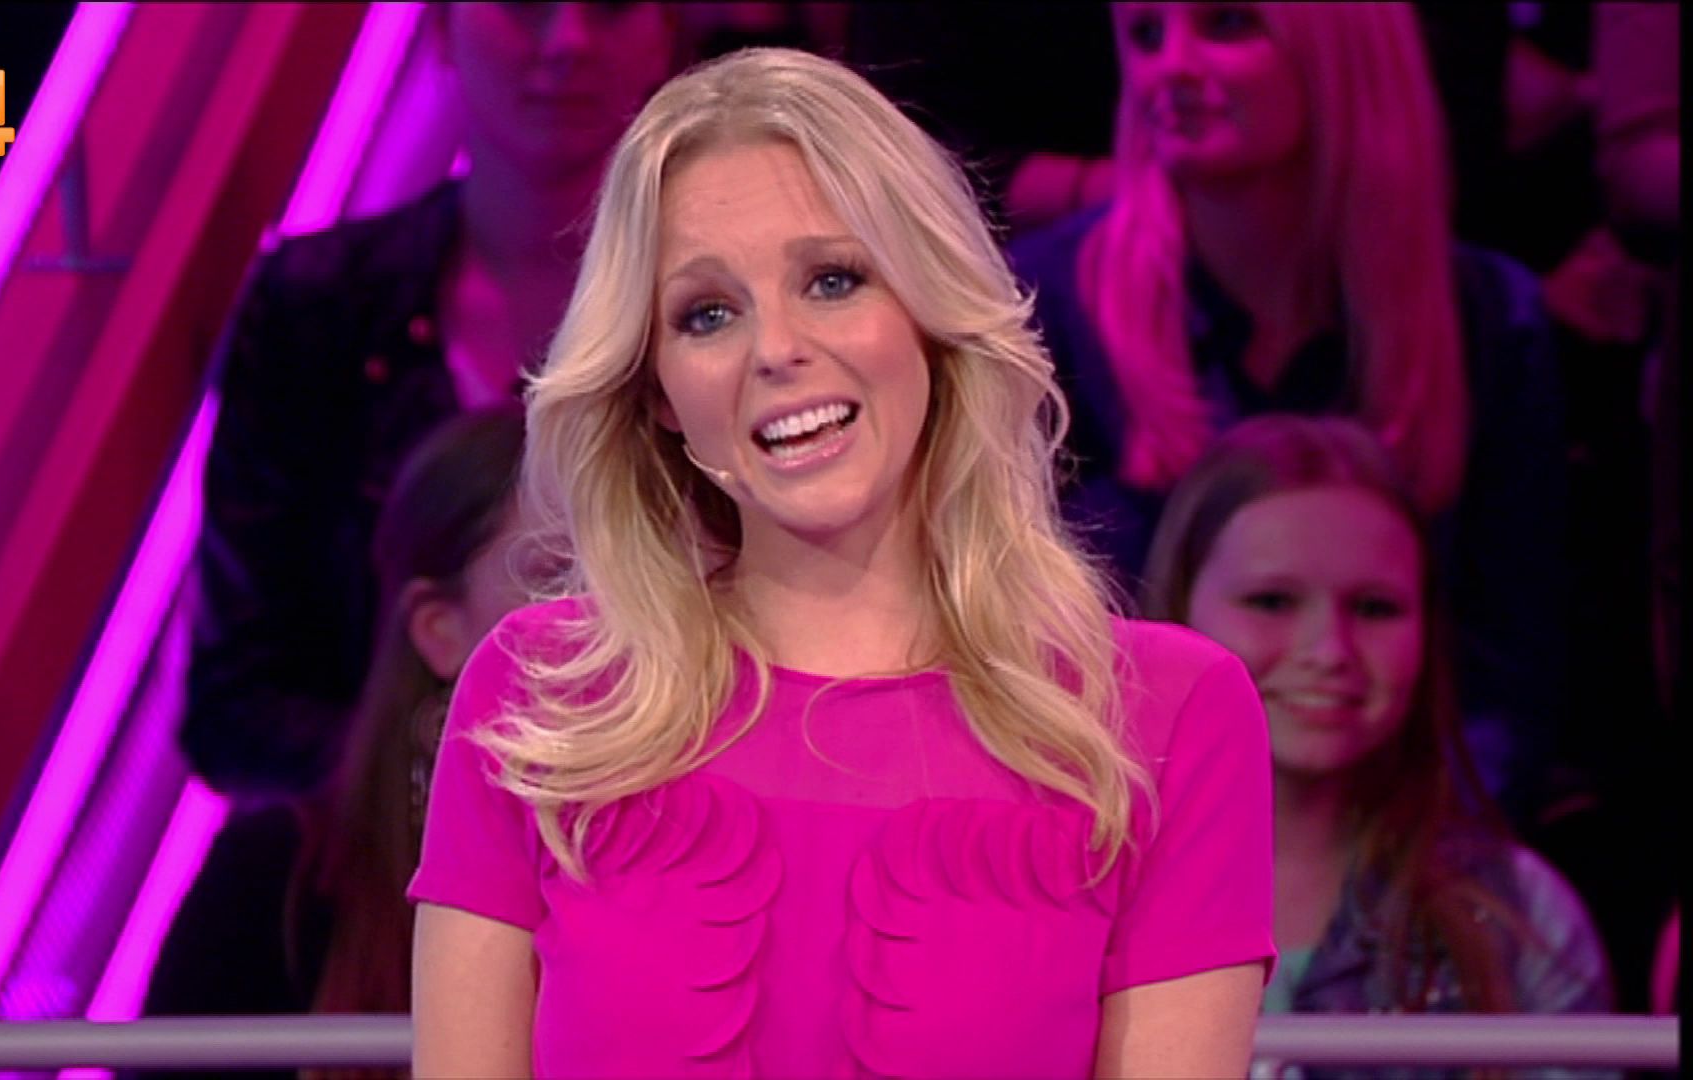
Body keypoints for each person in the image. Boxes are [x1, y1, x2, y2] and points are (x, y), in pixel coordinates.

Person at [409, 47, 1274, 1078]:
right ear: (657, 393)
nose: (776, 349)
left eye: (833, 280)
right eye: (707, 314)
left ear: (929, 316)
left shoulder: (1160, 719)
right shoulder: (544, 707)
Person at [1008, 1, 1565, 826]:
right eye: (1147, 34)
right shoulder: (1039, 308)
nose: (1171, 68)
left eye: (1228, 25)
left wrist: (1417, 854)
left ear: (1343, 51)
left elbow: (1511, 667)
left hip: (1400, 840)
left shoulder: (1486, 317)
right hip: (1113, 827)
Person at [184, 3, 680, 798]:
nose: (569, 42)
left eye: (612, 5)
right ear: (441, 30)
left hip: (672, 830)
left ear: (663, 36)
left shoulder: (722, 309)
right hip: (380, 848)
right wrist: (448, 777)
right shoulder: (318, 309)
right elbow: (237, 705)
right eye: (525, 6)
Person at [1142, 416, 1612, 1072]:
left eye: (1373, 609)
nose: (1330, 651)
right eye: (1272, 601)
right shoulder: (1075, 889)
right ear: (1177, 609)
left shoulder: (1519, 915)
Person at [141, 407, 540, 1080]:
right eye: (555, 574)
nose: (604, 616)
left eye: (634, 570)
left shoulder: (694, 859)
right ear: (440, 631)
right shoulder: (277, 886)